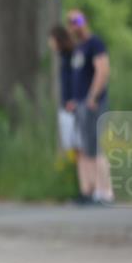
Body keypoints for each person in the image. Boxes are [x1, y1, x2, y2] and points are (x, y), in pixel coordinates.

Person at [65, 9, 114, 205]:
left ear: (84, 21)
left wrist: (93, 96)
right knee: (85, 148)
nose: (74, 25)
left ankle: (105, 192)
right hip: (80, 105)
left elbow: (102, 70)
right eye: (70, 22)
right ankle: (91, 191)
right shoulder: (79, 48)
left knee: (96, 147)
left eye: (77, 20)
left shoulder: (95, 43)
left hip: (94, 103)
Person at [49, 25, 80, 161]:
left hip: (72, 106)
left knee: (79, 146)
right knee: (70, 147)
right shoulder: (63, 56)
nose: (49, 43)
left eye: (51, 40)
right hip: (65, 106)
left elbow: (79, 79)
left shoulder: (72, 56)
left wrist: (74, 99)